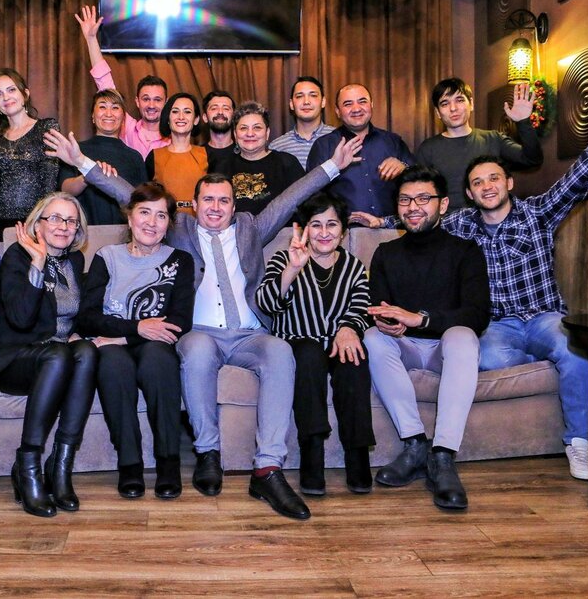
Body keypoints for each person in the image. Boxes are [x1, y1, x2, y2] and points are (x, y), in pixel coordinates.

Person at [45, 126, 364, 521]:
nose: (215, 207)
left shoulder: (252, 227)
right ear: (194, 204)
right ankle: (208, 453)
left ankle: (267, 468)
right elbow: (131, 196)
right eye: (208, 199)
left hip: (250, 333)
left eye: (224, 200)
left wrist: (334, 165)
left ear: (234, 205)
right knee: (195, 350)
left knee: (282, 352)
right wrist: (80, 162)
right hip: (201, 333)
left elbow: (291, 197)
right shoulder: (178, 228)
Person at [437, 90, 588, 481]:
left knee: (575, 351)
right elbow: (420, 218)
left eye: (494, 178)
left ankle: (578, 442)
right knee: (489, 360)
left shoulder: (537, 212)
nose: (487, 186)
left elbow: (574, 185)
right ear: (469, 193)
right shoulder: (461, 224)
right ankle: (547, 366)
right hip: (497, 325)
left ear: (508, 182)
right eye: (477, 183)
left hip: (544, 317)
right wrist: (377, 222)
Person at [363, 165, 490, 511]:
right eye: (405, 200)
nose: (413, 207)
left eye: (423, 199)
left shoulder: (466, 251)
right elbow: (378, 306)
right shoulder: (386, 253)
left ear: (443, 204)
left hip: (445, 348)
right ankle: (415, 444)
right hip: (404, 345)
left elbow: (477, 314)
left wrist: (421, 319)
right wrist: (388, 322)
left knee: (463, 336)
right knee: (373, 337)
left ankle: (443, 455)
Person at [0, 192, 97, 518]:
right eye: (54, 218)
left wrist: (91, 335)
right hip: (7, 356)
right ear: (37, 224)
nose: (63, 226)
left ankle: (60, 466)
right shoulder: (17, 256)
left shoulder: (75, 261)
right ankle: (27, 467)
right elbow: (22, 318)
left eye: (71, 220)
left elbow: (72, 315)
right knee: (59, 355)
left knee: (85, 351)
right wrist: (38, 263)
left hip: (52, 354)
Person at [77, 182, 195, 499]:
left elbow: (179, 320)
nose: (151, 222)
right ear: (130, 218)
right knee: (113, 367)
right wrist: (138, 328)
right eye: (144, 212)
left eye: (161, 216)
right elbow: (87, 317)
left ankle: (168, 463)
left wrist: (123, 337)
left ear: (168, 224)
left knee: (158, 361)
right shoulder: (107, 257)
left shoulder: (179, 260)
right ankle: (130, 464)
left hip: (145, 344)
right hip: (116, 346)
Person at [256, 193, 375, 497]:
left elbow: (361, 306)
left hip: (337, 343)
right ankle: (312, 455)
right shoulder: (285, 258)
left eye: (331, 225)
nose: (324, 232)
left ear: (343, 231)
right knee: (309, 355)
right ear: (305, 229)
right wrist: (293, 270)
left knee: (355, 358)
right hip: (298, 343)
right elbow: (265, 303)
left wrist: (348, 328)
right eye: (316, 224)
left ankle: (358, 456)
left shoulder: (353, 266)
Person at [416, 78, 542, 210]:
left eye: (459, 100)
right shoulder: (428, 149)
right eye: (445, 103)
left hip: (491, 219)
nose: (453, 108)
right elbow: (419, 193)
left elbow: (532, 159)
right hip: (448, 221)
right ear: (438, 112)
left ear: (471, 104)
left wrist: (523, 122)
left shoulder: (493, 139)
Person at [0, 68, 61, 233]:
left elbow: (50, 179)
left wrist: (42, 220)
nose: (6, 97)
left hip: (35, 222)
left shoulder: (47, 127)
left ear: (25, 94)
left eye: (11, 90)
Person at [307, 83, 413, 216]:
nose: (356, 109)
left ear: (371, 105)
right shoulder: (323, 145)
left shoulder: (393, 142)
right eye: (348, 104)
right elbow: (312, 195)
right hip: (345, 228)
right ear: (337, 111)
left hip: (391, 226)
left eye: (362, 102)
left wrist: (404, 167)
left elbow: (419, 181)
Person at [76, 5, 167, 159]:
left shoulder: (174, 137)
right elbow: (104, 82)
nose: (151, 105)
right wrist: (91, 40)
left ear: (166, 102)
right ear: (137, 101)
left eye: (157, 100)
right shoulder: (126, 127)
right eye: (146, 99)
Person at [58, 89, 148, 225]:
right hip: (84, 230)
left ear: (123, 118)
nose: (108, 113)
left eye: (115, 107)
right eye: (102, 107)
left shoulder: (134, 157)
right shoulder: (76, 151)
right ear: (93, 116)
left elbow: (142, 202)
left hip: (124, 232)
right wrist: (90, 175)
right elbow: (65, 190)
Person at [210, 102, 305, 216]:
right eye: (243, 128)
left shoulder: (287, 163)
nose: (250, 134)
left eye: (257, 128)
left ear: (267, 133)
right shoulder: (222, 166)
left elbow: (306, 205)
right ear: (235, 134)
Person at [145, 93, 209, 214]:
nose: (181, 117)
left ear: (196, 119)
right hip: (165, 221)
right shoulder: (154, 156)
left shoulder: (206, 154)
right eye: (175, 111)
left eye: (187, 112)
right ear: (168, 119)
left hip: (199, 221)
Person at [269, 76, 337, 168]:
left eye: (313, 95)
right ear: (291, 104)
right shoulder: (277, 147)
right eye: (299, 96)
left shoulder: (339, 139)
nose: (306, 102)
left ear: (323, 102)